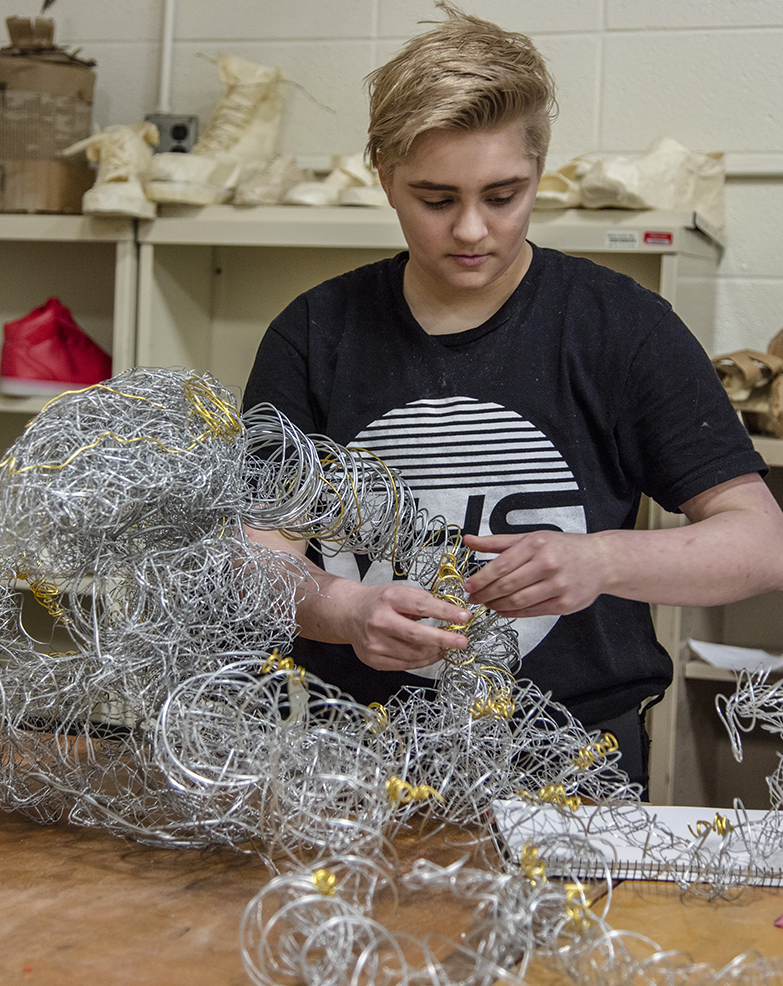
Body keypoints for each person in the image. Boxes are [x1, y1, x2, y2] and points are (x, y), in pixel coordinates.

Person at [243, 2, 783, 791]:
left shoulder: (619, 326)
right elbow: (255, 562)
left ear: (538, 171)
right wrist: (342, 610)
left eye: (504, 195)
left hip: (568, 758)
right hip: (353, 754)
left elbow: (761, 542)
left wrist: (600, 560)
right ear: (385, 177)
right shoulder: (316, 332)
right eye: (435, 199)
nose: (471, 230)